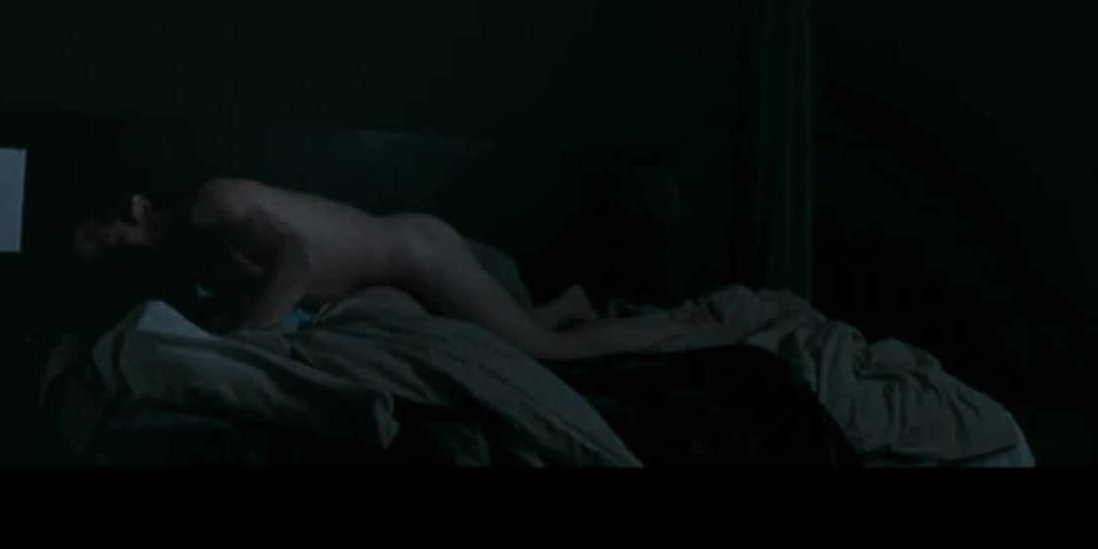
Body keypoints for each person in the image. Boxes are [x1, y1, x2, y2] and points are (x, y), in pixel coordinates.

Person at [72, 178, 698, 361]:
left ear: (138, 205)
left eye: (111, 236)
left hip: (415, 253)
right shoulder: (184, 258)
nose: (117, 250)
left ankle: (699, 328)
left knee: (543, 353)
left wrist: (239, 334)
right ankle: (569, 305)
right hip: (374, 283)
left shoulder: (214, 206)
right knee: (488, 335)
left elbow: (298, 259)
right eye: (105, 253)